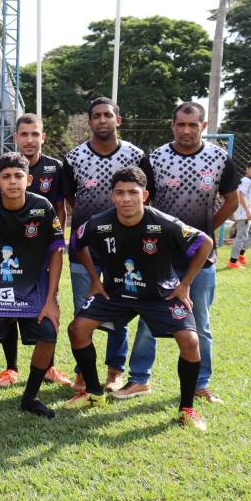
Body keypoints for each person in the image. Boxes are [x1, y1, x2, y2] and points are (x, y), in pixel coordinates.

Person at [65, 166, 213, 432]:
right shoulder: (100, 222)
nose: (126, 199)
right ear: (112, 196)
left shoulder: (165, 223)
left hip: (160, 295)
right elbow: (75, 244)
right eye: (120, 193)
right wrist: (95, 280)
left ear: (144, 195)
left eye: (133, 192)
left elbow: (204, 243)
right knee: (77, 329)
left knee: (190, 340)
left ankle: (187, 408)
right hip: (116, 293)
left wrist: (185, 285)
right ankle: (94, 393)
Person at [121, 102, 238, 404]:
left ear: (204, 125)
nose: (187, 130)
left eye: (194, 125)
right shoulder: (156, 159)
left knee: (201, 324)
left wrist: (201, 234)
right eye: (181, 124)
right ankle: (139, 380)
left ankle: (201, 384)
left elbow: (231, 201)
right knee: (148, 321)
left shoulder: (220, 158)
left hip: (201, 260)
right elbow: (143, 204)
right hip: (158, 259)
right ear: (172, 125)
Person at [63, 97, 154, 393]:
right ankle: (82, 371)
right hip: (85, 249)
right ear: (89, 122)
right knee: (82, 312)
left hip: (125, 251)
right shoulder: (74, 157)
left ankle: (115, 370)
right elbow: (71, 199)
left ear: (118, 120)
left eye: (108, 115)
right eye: (96, 116)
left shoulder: (137, 155)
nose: (102, 120)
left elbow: (144, 197)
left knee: (120, 309)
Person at [0, 153, 65, 419]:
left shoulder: (43, 207)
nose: (13, 181)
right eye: (6, 177)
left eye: (18, 176)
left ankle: (31, 396)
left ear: (28, 179)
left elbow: (57, 251)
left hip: (34, 287)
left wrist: (51, 299)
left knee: (48, 332)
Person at [0, 113, 71, 388]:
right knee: (8, 304)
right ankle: (11, 367)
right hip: (6, 249)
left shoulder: (55, 167)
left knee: (46, 308)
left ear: (43, 137)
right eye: (24, 134)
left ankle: (49, 367)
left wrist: (58, 244)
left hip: (39, 249)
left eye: (35, 134)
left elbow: (60, 209)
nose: (30, 140)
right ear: (16, 137)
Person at [228, 162, 251, 270]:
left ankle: (240, 255)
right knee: (241, 236)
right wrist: (247, 211)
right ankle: (233, 261)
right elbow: (240, 196)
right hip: (244, 213)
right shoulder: (246, 181)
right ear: (247, 169)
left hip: (247, 212)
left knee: (248, 234)